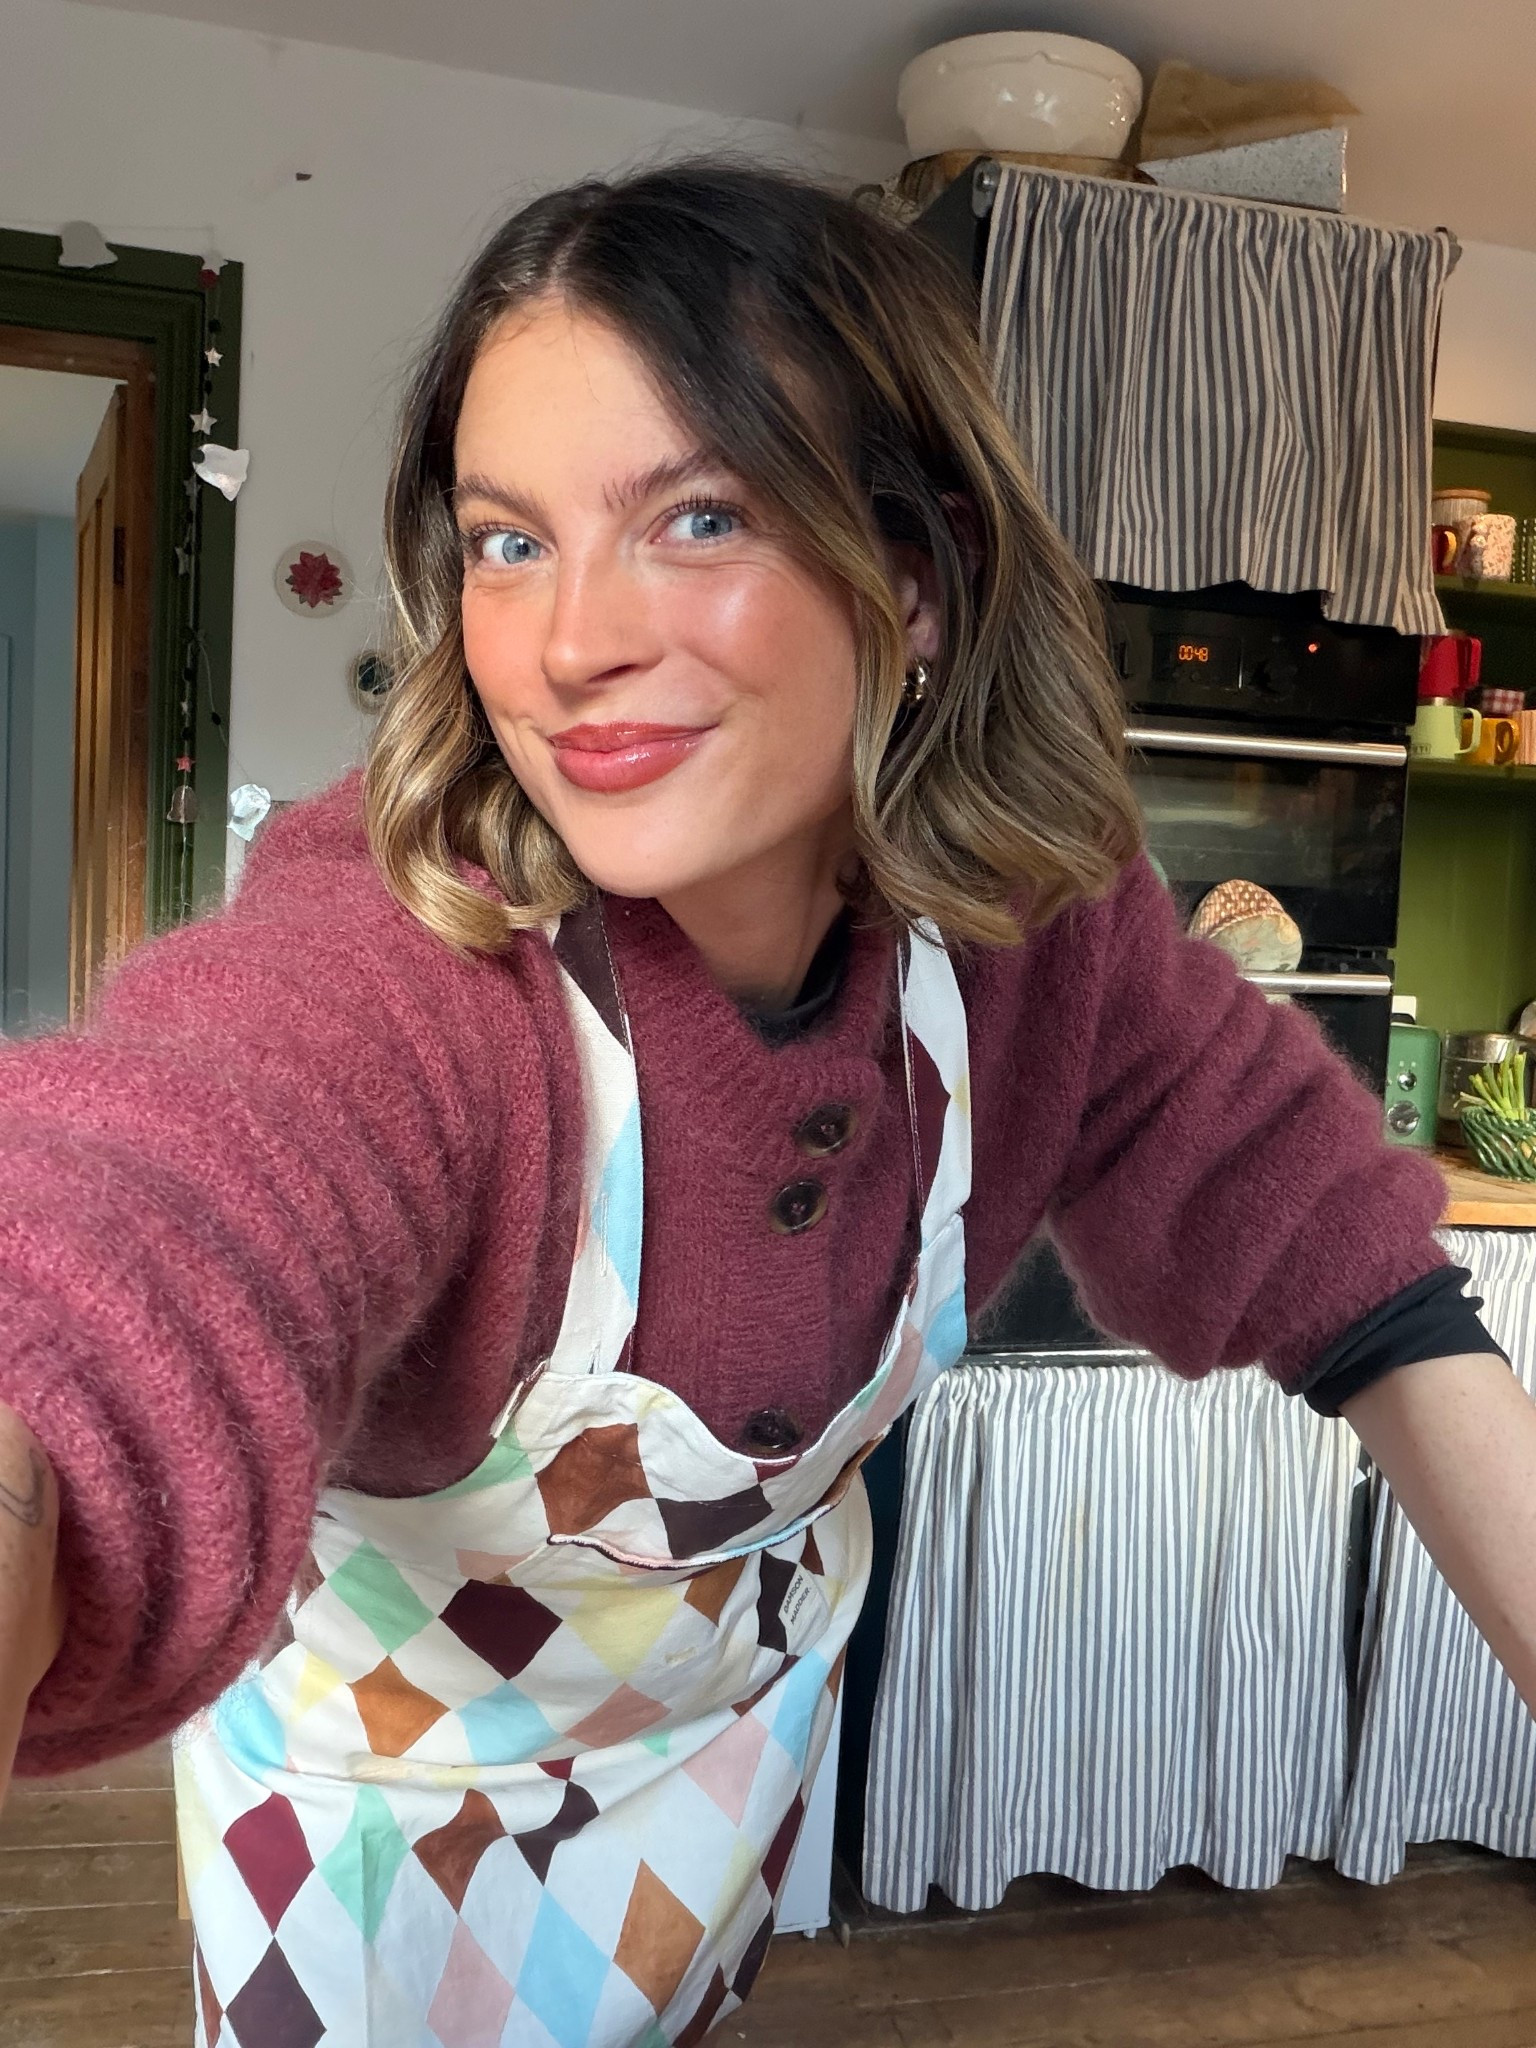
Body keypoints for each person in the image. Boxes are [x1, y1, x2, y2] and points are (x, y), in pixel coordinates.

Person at [0, 159, 1533, 2048]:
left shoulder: (1030, 943)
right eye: (508, 542)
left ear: (916, 582)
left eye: (700, 516)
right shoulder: (418, 968)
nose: (570, 644)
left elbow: (1352, 1270)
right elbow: (133, 1234)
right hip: (368, 1880)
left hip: (708, 1839)